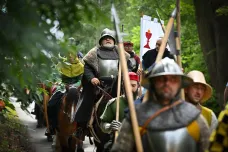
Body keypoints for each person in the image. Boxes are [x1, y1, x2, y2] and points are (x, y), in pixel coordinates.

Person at [111, 58, 210, 152]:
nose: (167, 83)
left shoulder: (194, 117)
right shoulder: (136, 117)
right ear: (153, 83)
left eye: (173, 79)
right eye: (161, 79)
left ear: (180, 84)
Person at [75, 28, 131, 136]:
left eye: (110, 38)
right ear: (101, 41)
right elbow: (87, 69)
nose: (108, 40)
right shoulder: (93, 53)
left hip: (118, 84)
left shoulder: (121, 54)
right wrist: (92, 78)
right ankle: (81, 127)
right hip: (99, 86)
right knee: (87, 100)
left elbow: (127, 69)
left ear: (114, 41)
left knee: (131, 99)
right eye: (105, 38)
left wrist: (124, 76)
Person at [47, 48, 84, 137]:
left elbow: (82, 79)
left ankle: (82, 128)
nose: (70, 56)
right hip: (63, 87)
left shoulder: (81, 66)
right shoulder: (61, 65)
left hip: (77, 87)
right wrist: (62, 84)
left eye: (73, 54)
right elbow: (57, 78)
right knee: (51, 104)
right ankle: (52, 126)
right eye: (69, 54)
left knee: (86, 104)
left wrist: (76, 86)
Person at [99, 72, 139, 151]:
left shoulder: (144, 103)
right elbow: (103, 124)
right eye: (127, 85)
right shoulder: (114, 103)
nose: (130, 89)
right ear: (123, 86)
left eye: (133, 85)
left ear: (138, 86)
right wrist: (110, 126)